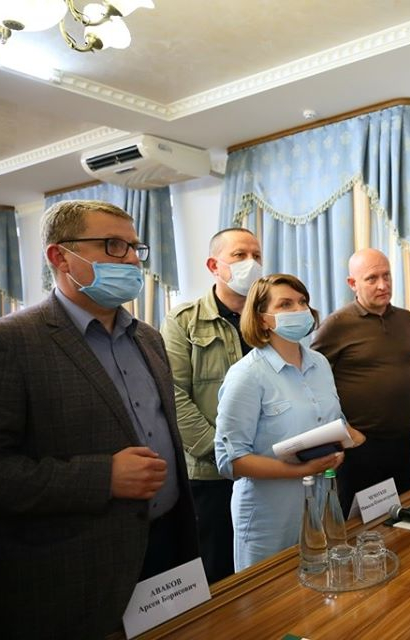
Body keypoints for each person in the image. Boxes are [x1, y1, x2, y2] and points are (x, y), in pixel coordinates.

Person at [0, 200, 199, 639]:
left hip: (165, 550)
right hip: (68, 578)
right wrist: (103, 477)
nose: (131, 259)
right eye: (113, 245)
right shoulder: (5, 343)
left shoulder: (148, 338)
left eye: (135, 247)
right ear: (60, 257)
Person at [214, 274, 362, 572]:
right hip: (269, 516)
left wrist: (340, 448)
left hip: (319, 505)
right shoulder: (247, 375)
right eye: (285, 304)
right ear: (262, 319)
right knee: (270, 596)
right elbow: (230, 461)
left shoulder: (319, 363)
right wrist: (302, 470)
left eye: (302, 302)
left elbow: (333, 422)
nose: (299, 309)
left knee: (318, 586)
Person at [161, 227, 262, 583]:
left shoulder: (268, 318)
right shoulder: (184, 321)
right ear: (213, 265)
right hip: (210, 473)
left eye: (256, 256)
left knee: (264, 565)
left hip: (267, 466)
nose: (251, 263)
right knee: (218, 569)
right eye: (239, 255)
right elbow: (173, 394)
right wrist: (221, 452)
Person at [312, 248, 410, 514]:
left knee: (401, 515)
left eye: (386, 276)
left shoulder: (406, 319)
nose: (383, 285)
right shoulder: (336, 325)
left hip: (403, 442)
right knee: (358, 522)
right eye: (372, 278)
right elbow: (312, 383)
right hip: (359, 447)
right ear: (352, 283)